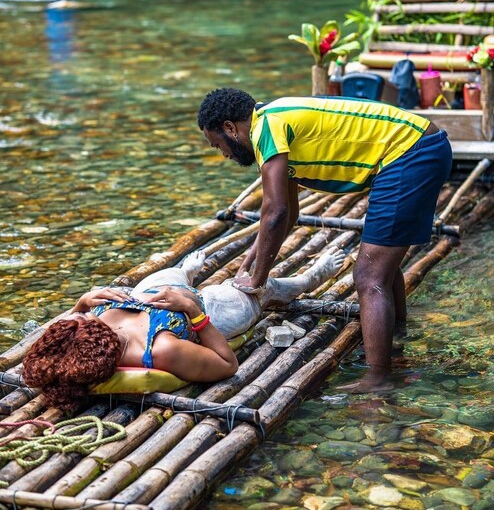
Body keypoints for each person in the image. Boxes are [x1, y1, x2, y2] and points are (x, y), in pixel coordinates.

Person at [197, 88, 453, 393]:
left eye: (218, 145)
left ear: (230, 128)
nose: (224, 154)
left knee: (369, 276)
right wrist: (247, 265)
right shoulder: (275, 124)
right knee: (383, 265)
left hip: (410, 153)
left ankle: (378, 379)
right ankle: (396, 341)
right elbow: (288, 214)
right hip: (419, 148)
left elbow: (276, 212)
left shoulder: (267, 127)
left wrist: (258, 280)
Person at [23, 247, 345, 411]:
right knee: (258, 289)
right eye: (83, 317)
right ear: (98, 340)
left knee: (170, 274)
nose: (80, 316)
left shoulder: (84, 334)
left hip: (151, 292)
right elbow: (227, 364)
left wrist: (82, 302)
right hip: (207, 309)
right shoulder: (161, 349)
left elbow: (64, 330)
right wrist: (192, 311)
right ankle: (307, 279)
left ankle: (184, 273)